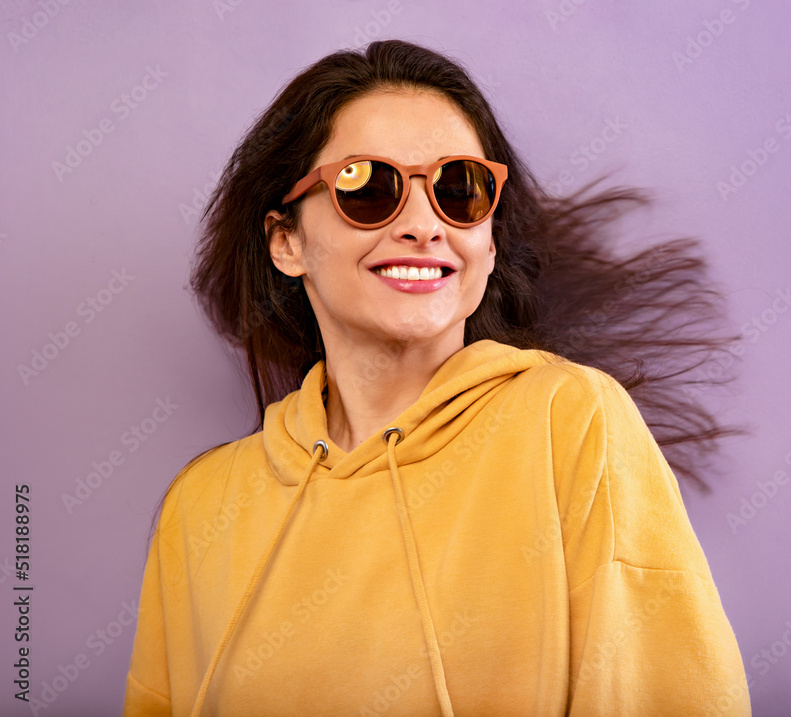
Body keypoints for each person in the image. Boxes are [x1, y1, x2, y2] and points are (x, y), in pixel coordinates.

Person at [123, 39, 752, 716]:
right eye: (367, 186)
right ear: (286, 240)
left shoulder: (571, 424)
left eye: (459, 189)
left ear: (490, 240)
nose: (424, 225)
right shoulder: (202, 506)